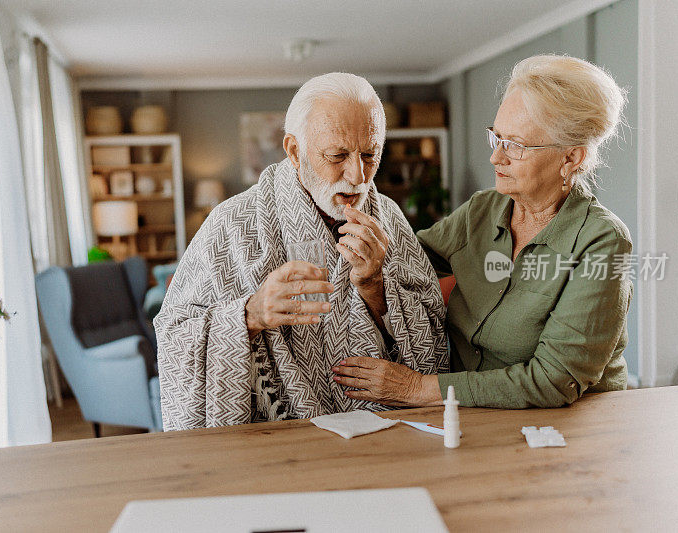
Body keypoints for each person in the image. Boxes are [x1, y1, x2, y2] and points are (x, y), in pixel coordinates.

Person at [332, 55, 631, 409]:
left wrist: (415, 388)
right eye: (497, 137)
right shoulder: (483, 209)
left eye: (516, 145)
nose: (496, 158)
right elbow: (404, 262)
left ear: (571, 158)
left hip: (569, 428)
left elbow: (552, 381)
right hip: (472, 417)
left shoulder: (602, 242)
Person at [155, 72, 448, 430]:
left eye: (370, 154)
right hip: (275, 436)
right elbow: (174, 338)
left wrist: (375, 287)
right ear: (294, 151)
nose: (357, 175)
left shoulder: (389, 218)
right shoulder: (230, 224)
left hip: (381, 430)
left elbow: (435, 341)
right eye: (338, 155)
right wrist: (249, 315)